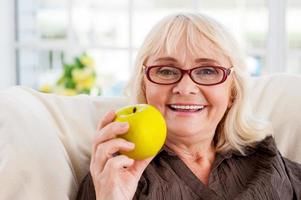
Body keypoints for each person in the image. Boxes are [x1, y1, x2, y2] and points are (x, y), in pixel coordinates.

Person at [77, 13, 301, 200]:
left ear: (232, 91)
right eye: (166, 70)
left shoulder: (264, 156)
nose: (185, 88)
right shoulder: (115, 173)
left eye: (207, 71)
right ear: (144, 85)